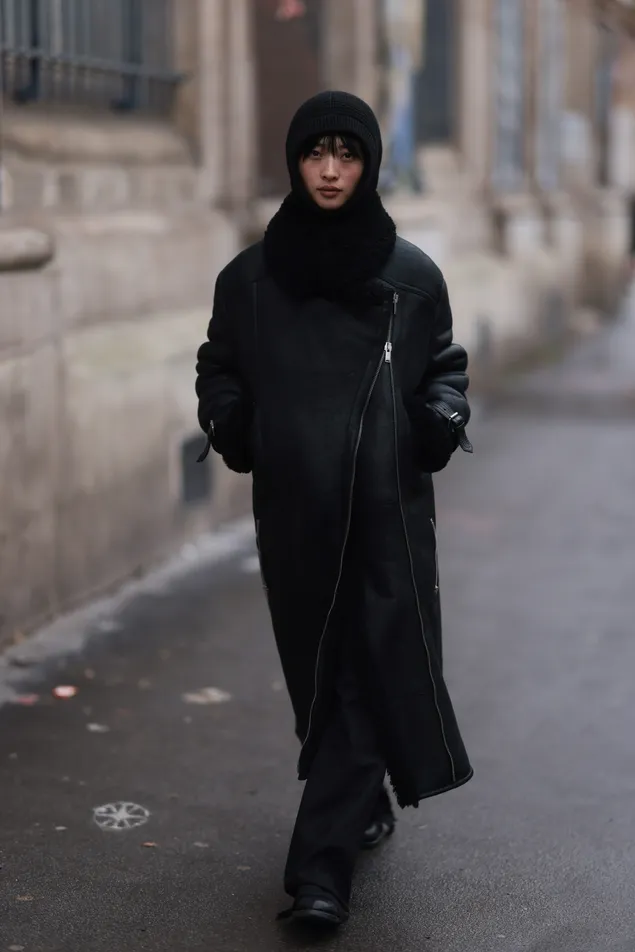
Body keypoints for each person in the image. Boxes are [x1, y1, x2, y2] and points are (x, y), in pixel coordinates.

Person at [195, 91, 474, 928]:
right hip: (293, 514)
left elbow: (444, 366)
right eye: (316, 154)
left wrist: (441, 416)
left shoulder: (411, 277)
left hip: (385, 514)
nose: (328, 170)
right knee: (321, 676)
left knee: (356, 672)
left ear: (368, 164)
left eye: (345, 155)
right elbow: (220, 365)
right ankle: (362, 796)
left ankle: (319, 877)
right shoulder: (248, 279)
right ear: (293, 161)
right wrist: (231, 421)